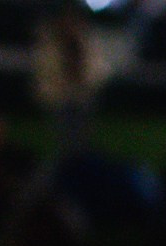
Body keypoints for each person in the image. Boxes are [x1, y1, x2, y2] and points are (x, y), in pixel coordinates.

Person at [32, 2, 112, 160]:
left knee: (80, 142)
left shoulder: (87, 43)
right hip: (58, 102)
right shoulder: (49, 44)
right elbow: (44, 79)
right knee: (64, 143)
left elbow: (99, 72)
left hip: (82, 101)